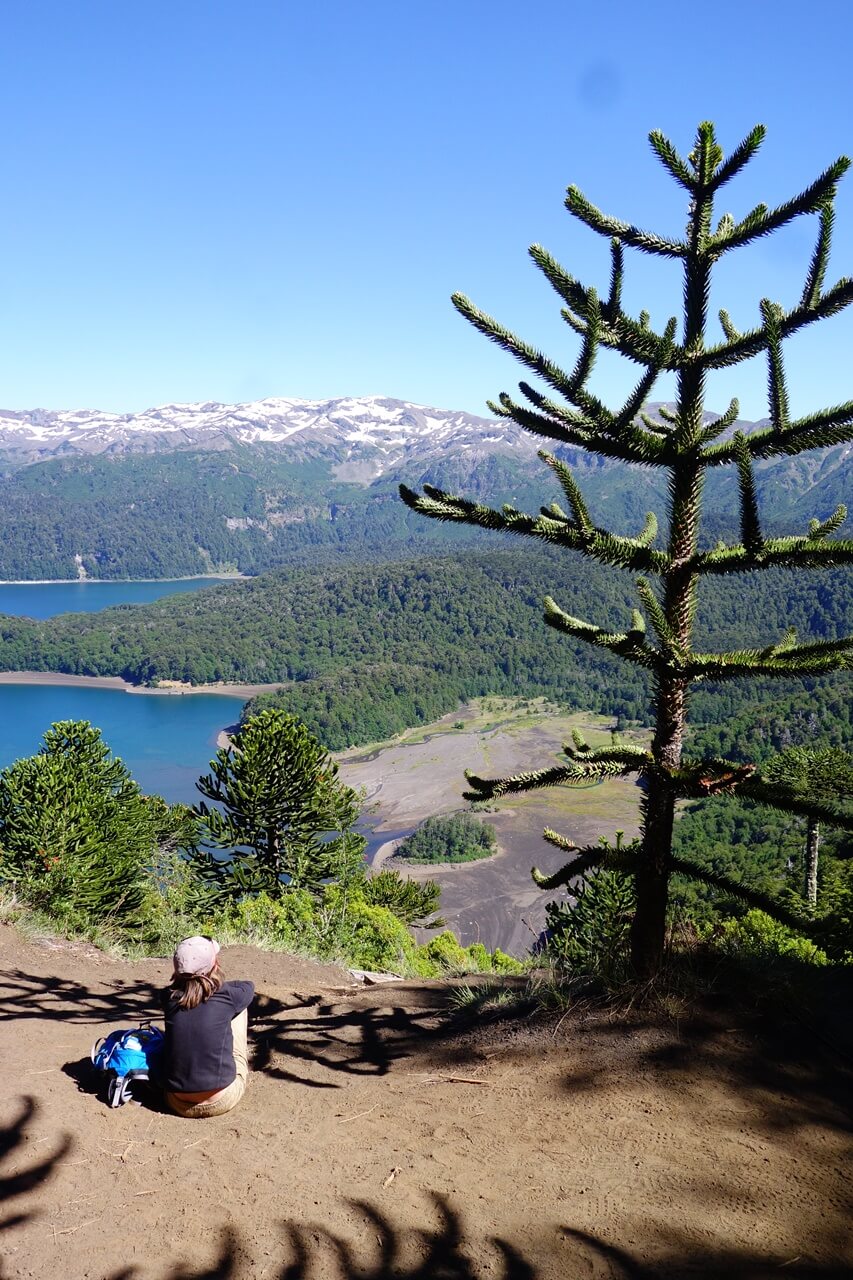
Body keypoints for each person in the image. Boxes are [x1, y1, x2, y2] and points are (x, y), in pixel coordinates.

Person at [162, 935, 254, 1119]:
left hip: (175, 1101)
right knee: (239, 1009)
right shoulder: (227, 996)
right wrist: (219, 981)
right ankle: (233, 1065)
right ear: (215, 963)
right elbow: (248, 987)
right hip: (221, 1099)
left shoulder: (167, 998)